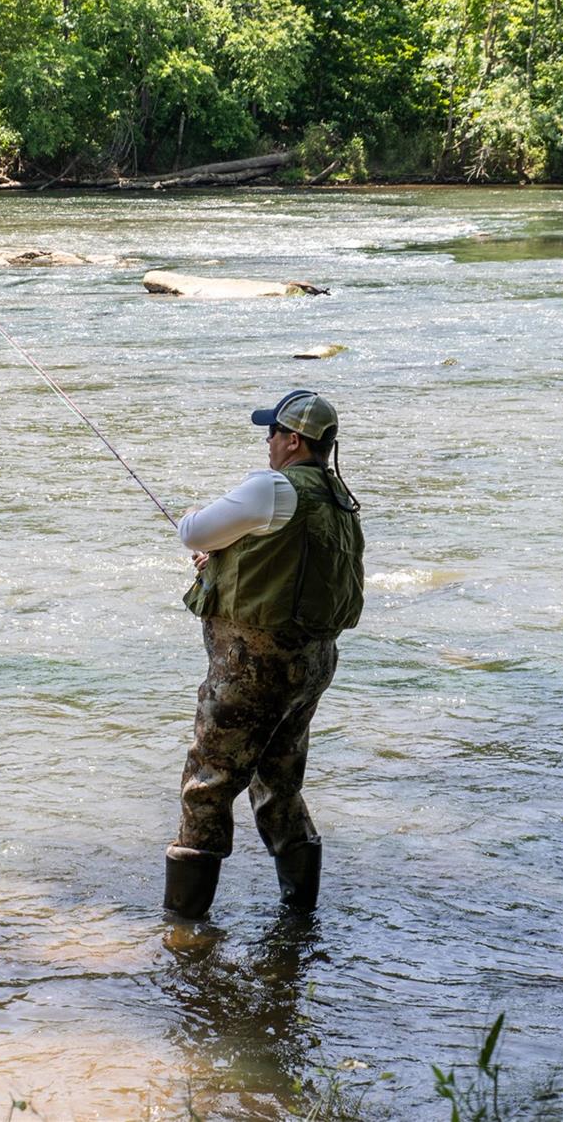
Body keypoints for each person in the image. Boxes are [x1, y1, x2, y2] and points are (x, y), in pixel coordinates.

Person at [165, 389, 365, 922]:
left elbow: (194, 531)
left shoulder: (273, 487)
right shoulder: (338, 498)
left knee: (208, 783)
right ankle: (300, 918)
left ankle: (184, 930)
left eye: (272, 433)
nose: (268, 444)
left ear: (293, 440)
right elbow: (288, 565)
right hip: (312, 664)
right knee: (280, 782)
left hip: (254, 668)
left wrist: (192, 522)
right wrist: (228, 562)